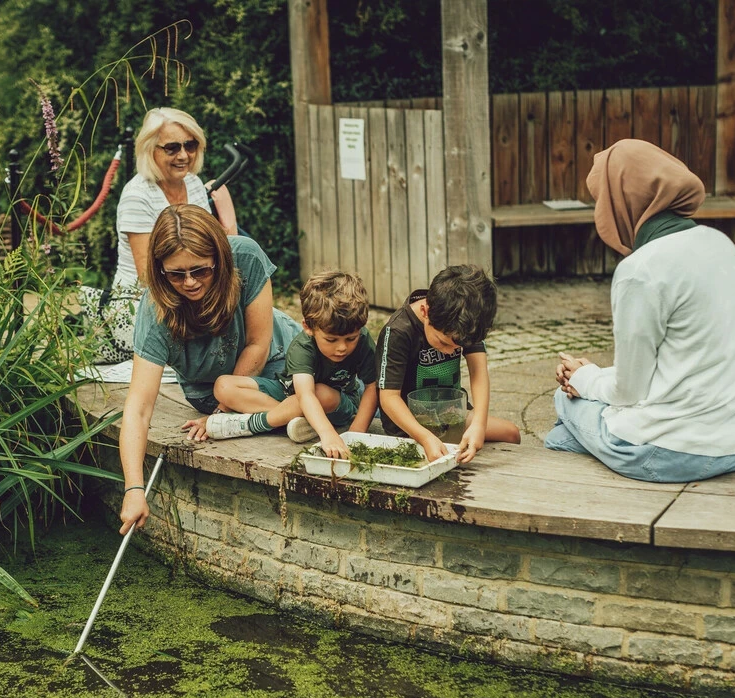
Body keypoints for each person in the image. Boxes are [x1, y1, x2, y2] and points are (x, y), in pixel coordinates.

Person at [545, 139, 735, 483]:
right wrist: (596, 375)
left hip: (670, 451)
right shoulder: (721, 244)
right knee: (561, 439)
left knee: (564, 403)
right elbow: (673, 365)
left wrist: (581, 380)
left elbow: (629, 392)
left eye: (602, 200)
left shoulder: (642, 269)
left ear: (622, 201)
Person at [118, 205, 301, 535]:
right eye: (176, 274)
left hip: (276, 360)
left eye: (200, 271)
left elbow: (258, 344)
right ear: (160, 270)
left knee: (343, 393)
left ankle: (300, 409)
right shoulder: (155, 312)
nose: (189, 283)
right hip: (209, 392)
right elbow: (139, 408)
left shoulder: (245, 256)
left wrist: (222, 415)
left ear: (218, 257)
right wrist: (133, 488)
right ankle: (298, 413)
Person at [81, 107, 238, 363]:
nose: (184, 155)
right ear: (150, 149)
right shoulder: (137, 196)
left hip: (190, 290)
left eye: (190, 145)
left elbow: (214, 248)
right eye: (172, 148)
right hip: (147, 303)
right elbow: (148, 277)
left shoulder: (193, 184)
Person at [204, 271, 379, 459]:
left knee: (320, 392)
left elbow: (372, 387)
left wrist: (355, 433)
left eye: (350, 338)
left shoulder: (362, 340)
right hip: (292, 393)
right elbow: (303, 395)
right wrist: (327, 433)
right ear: (308, 327)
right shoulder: (302, 346)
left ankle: (255, 423)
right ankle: (297, 420)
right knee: (224, 385)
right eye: (331, 339)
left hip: (336, 402)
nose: (342, 348)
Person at [375, 264, 521, 464]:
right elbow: (388, 398)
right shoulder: (399, 331)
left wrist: (479, 423)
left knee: (512, 434)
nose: (451, 350)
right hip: (409, 425)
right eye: (444, 342)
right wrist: (425, 437)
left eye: (460, 346)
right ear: (426, 312)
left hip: (451, 414)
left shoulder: (467, 321)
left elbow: (478, 372)